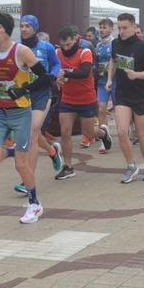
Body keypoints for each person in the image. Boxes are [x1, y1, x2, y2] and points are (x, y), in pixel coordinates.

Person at [0, 13, 57, 224]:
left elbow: (45, 77)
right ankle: (16, 150)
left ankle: (34, 204)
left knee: (21, 165)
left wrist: (23, 90)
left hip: (20, 113)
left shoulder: (21, 52)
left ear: (6, 30)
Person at [54, 25, 112, 181]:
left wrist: (66, 73)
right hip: (68, 99)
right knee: (65, 132)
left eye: (69, 44)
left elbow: (84, 72)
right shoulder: (57, 53)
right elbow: (54, 71)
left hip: (86, 98)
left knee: (88, 132)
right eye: (63, 45)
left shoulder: (84, 52)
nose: (66, 48)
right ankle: (68, 167)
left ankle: (103, 133)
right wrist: (57, 79)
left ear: (75, 39)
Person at [14, 15, 63, 194]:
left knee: (33, 132)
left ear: (35, 28)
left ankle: (28, 180)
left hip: (43, 93)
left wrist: (52, 75)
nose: (24, 29)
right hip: (24, 94)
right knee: (34, 133)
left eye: (28, 26)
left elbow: (57, 64)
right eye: (22, 26)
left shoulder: (46, 47)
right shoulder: (17, 48)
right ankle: (52, 151)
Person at [105, 13, 144, 182]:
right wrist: (109, 79)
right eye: (119, 28)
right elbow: (113, 60)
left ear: (134, 27)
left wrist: (136, 75)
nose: (121, 31)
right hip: (122, 94)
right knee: (121, 131)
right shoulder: (116, 43)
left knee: (141, 134)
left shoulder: (143, 47)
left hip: (140, 94)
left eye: (125, 28)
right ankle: (131, 166)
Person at [94, 18, 116, 153]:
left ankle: (130, 130)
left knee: (121, 111)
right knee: (101, 108)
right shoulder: (98, 45)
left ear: (111, 29)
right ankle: (104, 138)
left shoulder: (115, 43)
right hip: (102, 82)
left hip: (116, 81)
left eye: (105, 27)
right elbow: (97, 63)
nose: (102, 30)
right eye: (100, 27)